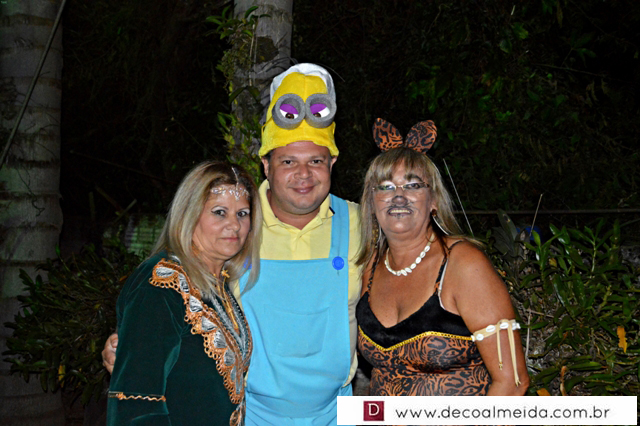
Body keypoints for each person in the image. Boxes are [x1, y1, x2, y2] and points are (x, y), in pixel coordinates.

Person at [103, 64, 362, 425]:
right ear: (266, 165)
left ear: (332, 162)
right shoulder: (233, 236)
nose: (303, 174)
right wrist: (131, 342)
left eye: (316, 161)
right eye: (288, 161)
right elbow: (160, 323)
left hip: (337, 414)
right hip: (252, 416)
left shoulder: (364, 224)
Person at [355, 118, 530, 397]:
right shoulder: (370, 267)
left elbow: (513, 382)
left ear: (434, 201)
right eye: (385, 187)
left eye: (413, 185)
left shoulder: (463, 264)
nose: (398, 196)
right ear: (371, 203)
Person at [106, 161, 262, 426]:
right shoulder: (160, 282)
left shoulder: (219, 282)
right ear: (190, 214)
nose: (234, 226)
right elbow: (137, 402)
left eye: (242, 214)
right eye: (219, 212)